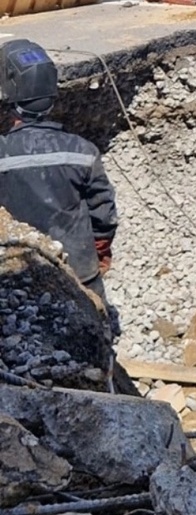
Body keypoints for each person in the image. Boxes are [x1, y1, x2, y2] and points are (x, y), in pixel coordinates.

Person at [0, 39, 119, 328]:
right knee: (94, 332)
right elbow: (103, 215)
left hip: (20, 273)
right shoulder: (83, 152)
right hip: (80, 269)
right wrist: (99, 253)